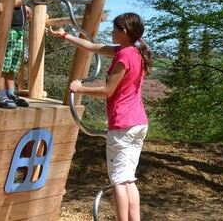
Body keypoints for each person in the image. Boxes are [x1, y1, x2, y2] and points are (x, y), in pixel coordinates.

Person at [46, 12, 152, 221]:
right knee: (129, 179)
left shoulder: (123, 56)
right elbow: (93, 47)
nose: (111, 33)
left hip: (123, 124)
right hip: (138, 123)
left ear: (124, 32)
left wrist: (80, 88)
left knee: (119, 181)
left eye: (114, 29)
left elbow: (107, 90)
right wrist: (64, 35)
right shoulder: (134, 52)